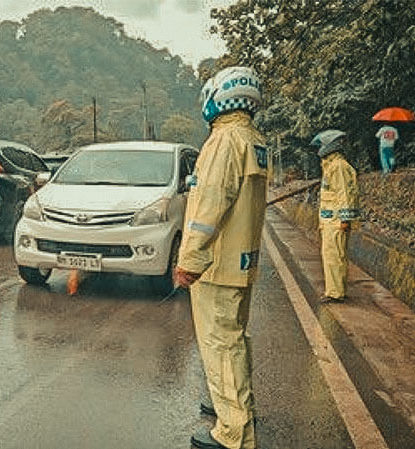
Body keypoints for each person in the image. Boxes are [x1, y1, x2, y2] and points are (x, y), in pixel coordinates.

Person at [174, 66, 266, 449]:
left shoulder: (223, 141)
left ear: (219, 97)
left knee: (221, 344)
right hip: (241, 260)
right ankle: (235, 406)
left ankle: (234, 433)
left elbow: (209, 207)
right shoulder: (252, 139)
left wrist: (190, 261)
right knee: (235, 339)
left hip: (218, 264)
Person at [311, 130, 359, 302]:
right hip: (329, 220)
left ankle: (336, 293)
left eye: (323, 145)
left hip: (336, 221)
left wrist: (345, 219)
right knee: (331, 256)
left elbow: (344, 194)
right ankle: (334, 290)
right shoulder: (330, 165)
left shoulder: (338, 167)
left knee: (335, 256)